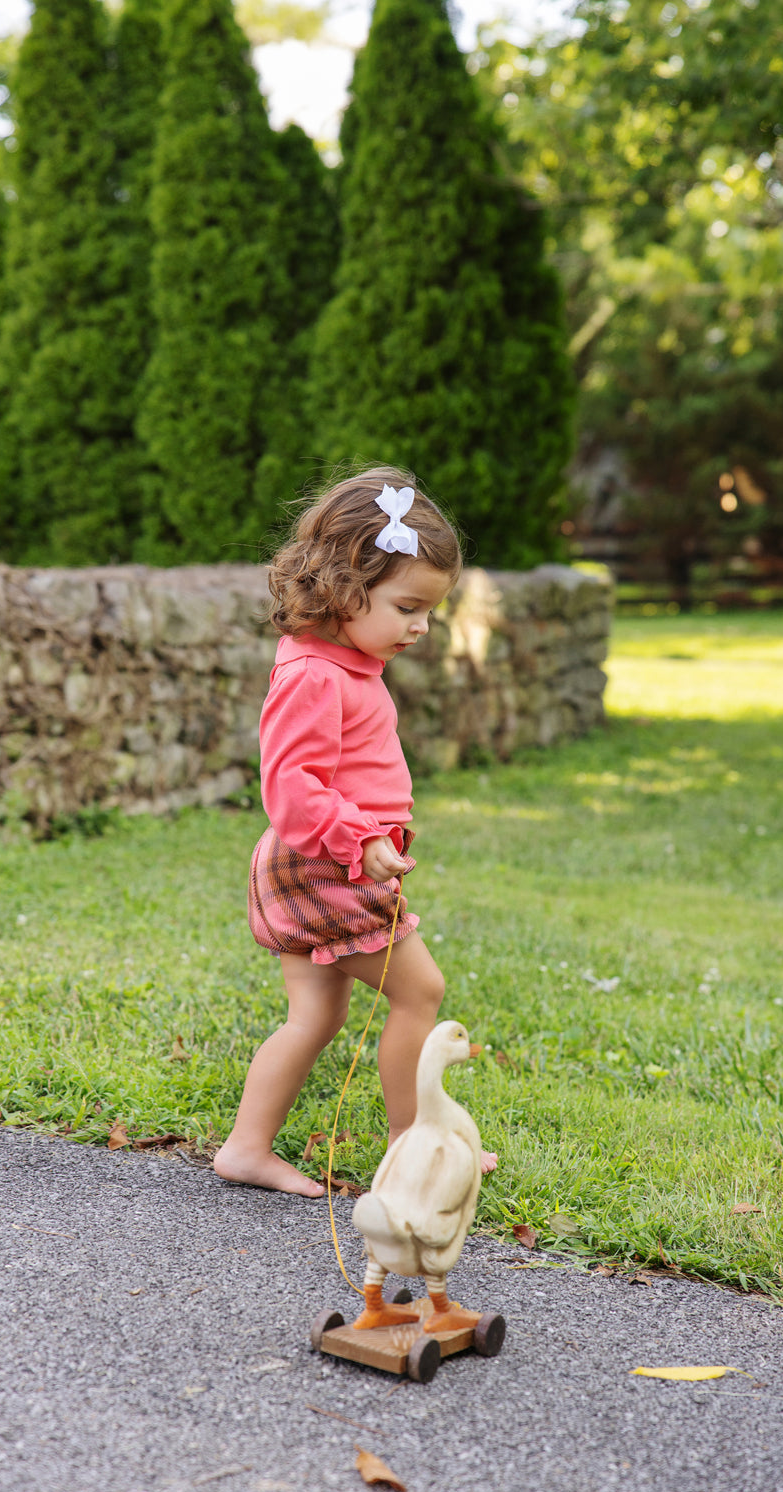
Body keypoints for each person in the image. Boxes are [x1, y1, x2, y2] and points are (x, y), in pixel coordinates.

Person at [213, 466, 498, 1196]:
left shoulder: (343, 663)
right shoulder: (317, 676)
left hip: (314, 860)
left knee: (315, 1014)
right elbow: (291, 787)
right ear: (344, 586)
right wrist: (358, 838)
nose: (421, 626)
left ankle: (247, 1148)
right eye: (408, 606)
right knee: (420, 991)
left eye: (429, 609)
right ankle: (414, 1147)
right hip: (325, 862)